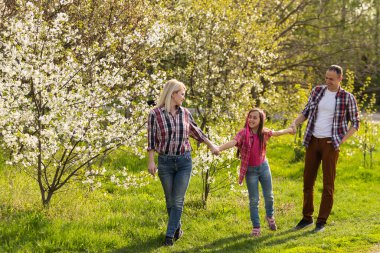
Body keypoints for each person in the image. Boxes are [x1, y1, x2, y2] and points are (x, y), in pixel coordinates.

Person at [147, 79, 218, 246]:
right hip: (165, 162)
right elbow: (150, 140)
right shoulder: (155, 114)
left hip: (184, 160)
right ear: (173, 94)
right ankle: (177, 228)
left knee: (178, 200)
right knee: (170, 200)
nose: (184, 98)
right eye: (182, 94)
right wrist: (151, 161)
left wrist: (211, 145)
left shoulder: (185, 113)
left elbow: (196, 132)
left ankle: (169, 236)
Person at [291, 65, 360, 232]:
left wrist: (340, 140)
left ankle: (321, 221)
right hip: (313, 140)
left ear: (340, 79)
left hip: (330, 144)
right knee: (308, 181)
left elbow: (355, 123)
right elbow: (306, 112)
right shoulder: (317, 91)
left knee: (328, 184)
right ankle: (307, 218)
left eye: (331, 79)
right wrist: (295, 122)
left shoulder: (347, 97)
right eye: (326, 78)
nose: (327, 81)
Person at [217, 108, 293, 237]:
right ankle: (256, 226)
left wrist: (289, 130)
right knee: (254, 200)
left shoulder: (263, 133)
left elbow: (277, 133)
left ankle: (269, 216)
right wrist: (219, 148)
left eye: (255, 117)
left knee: (269, 195)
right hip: (250, 171)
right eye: (250, 117)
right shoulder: (243, 133)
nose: (251, 119)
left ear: (260, 120)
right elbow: (233, 142)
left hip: (263, 167)